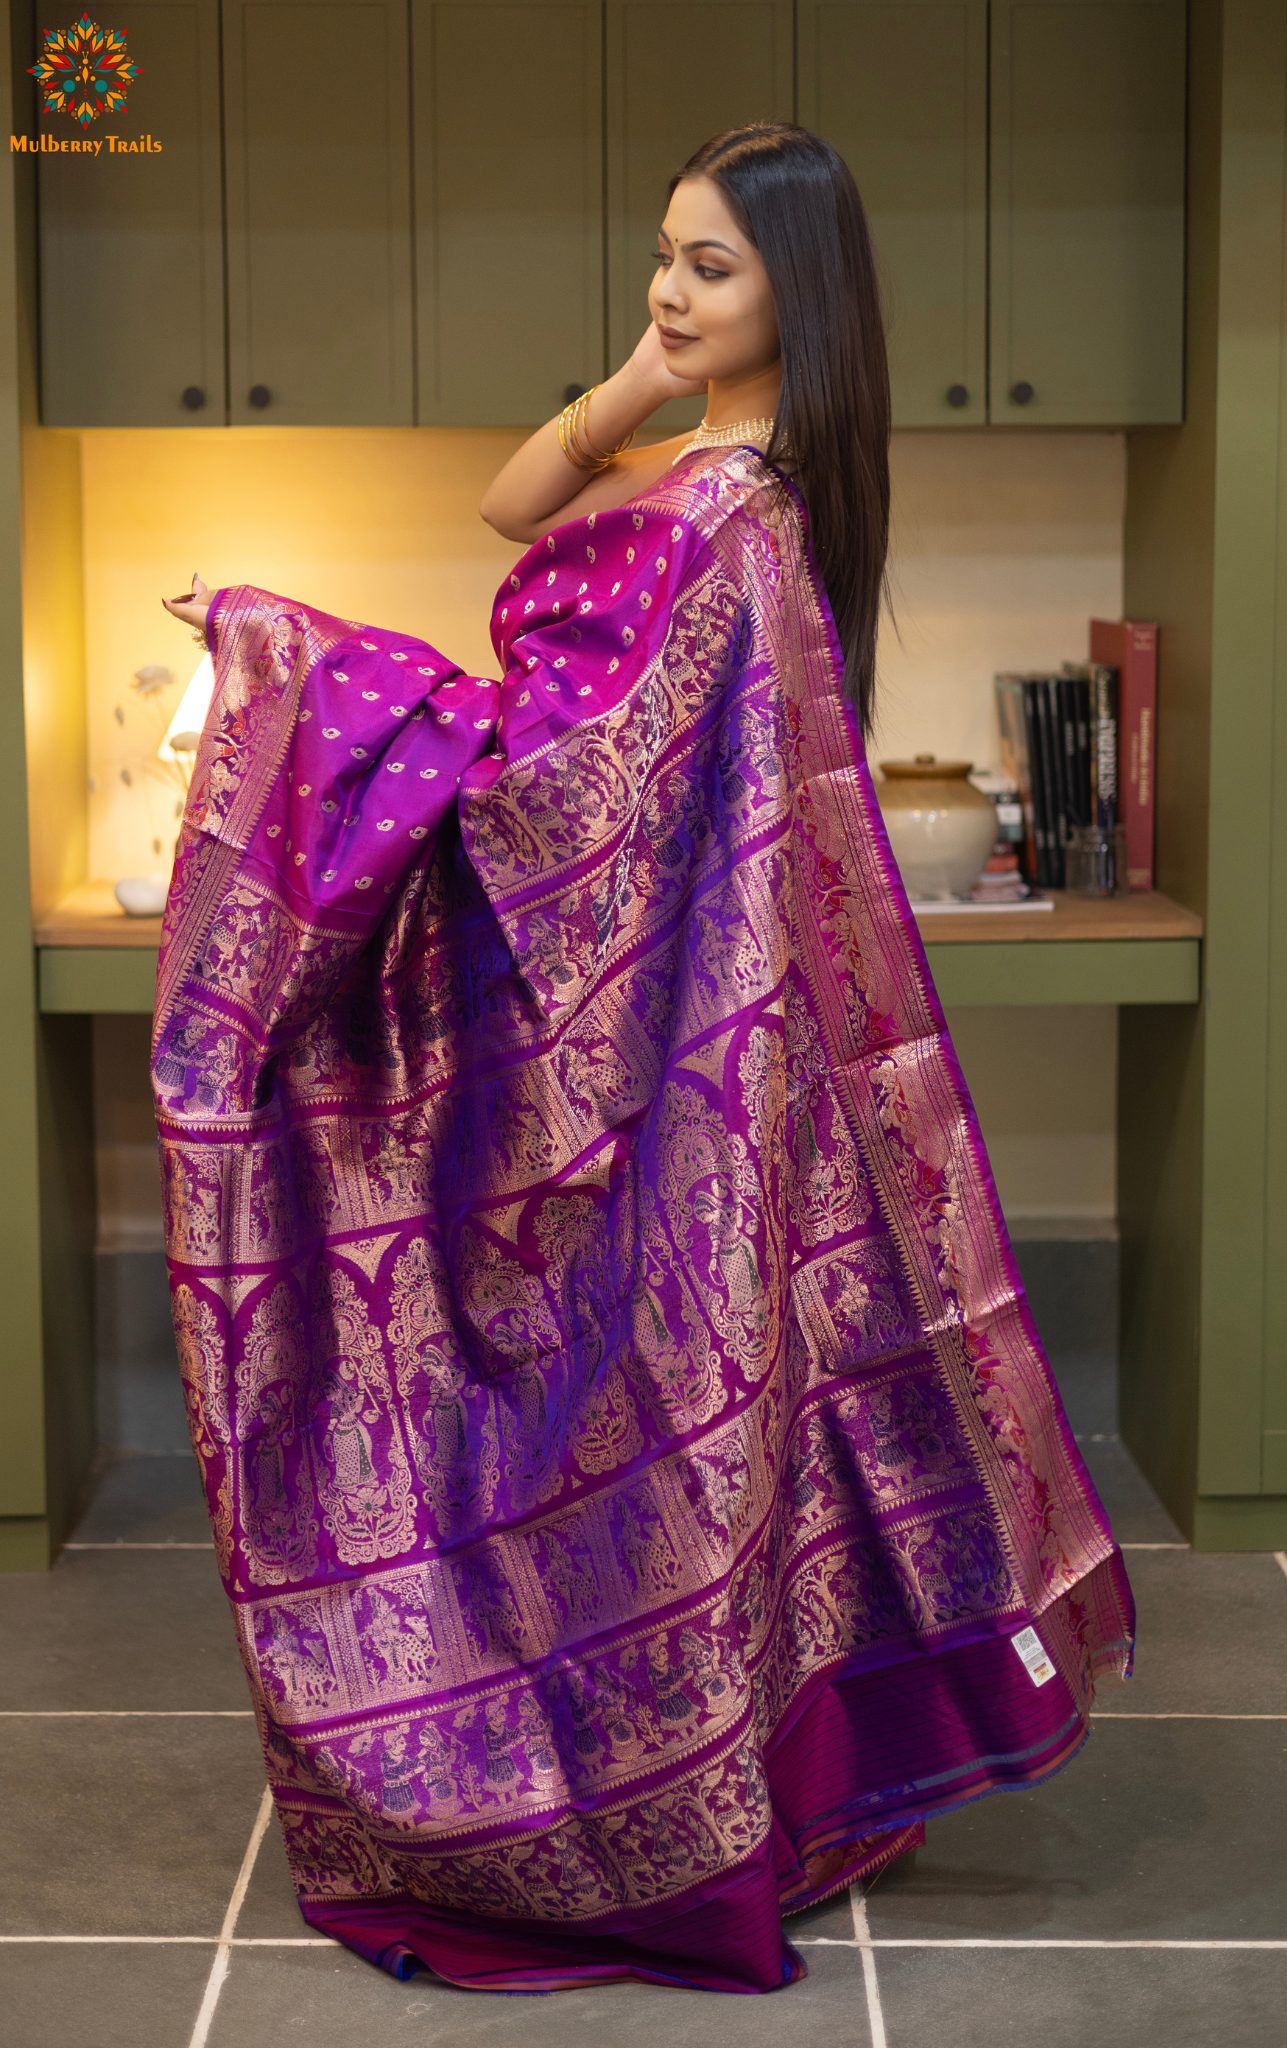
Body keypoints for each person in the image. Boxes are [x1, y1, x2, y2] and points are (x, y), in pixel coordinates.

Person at [158, 123, 1133, 1996]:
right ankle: (749, 1770)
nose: (670, 291)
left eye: (711, 270)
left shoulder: (715, 521)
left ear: (802, 298)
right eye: (663, 257)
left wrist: (287, 660)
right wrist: (641, 376)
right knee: (726, 1395)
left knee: (614, 1412)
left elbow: (545, 785)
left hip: (631, 1043)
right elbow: (508, 510)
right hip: (714, 1037)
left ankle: (622, 1806)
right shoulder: (733, 480)